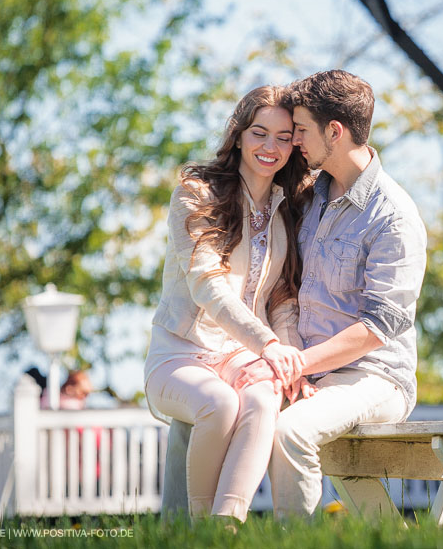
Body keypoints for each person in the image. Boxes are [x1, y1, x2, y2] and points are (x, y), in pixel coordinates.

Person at [161, 70, 427, 517]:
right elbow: (284, 295)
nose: (294, 142)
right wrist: (290, 360)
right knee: (202, 410)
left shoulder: (393, 216)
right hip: (301, 366)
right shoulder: (306, 198)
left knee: (290, 431)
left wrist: (297, 363)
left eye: (299, 131)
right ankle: (178, 536)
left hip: (372, 375)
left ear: (335, 132)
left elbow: (379, 328)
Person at [143, 85, 310, 523]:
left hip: (241, 355)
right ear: (237, 135)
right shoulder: (196, 194)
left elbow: (281, 300)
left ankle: (227, 525)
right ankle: (204, 531)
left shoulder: (286, 207)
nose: (270, 147)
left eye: (283, 137)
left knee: (264, 396)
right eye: (259, 133)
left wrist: (292, 363)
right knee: (219, 403)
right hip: (180, 351)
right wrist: (267, 344)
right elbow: (207, 285)